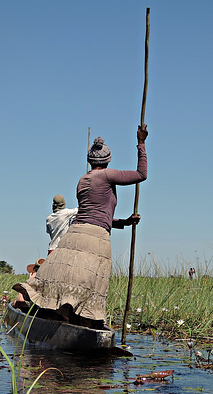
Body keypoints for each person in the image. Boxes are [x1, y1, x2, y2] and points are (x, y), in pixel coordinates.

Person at [13, 125, 148, 328]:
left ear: (90, 161)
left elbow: (94, 213)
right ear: (108, 160)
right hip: (95, 239)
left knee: (70, 283)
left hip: (75, 234)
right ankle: (77, 323)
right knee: (89, 285)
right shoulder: (107, 175)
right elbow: (141, 174)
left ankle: (68, 319)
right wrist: (141, 143)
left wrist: (124, 223)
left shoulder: (82, 180)